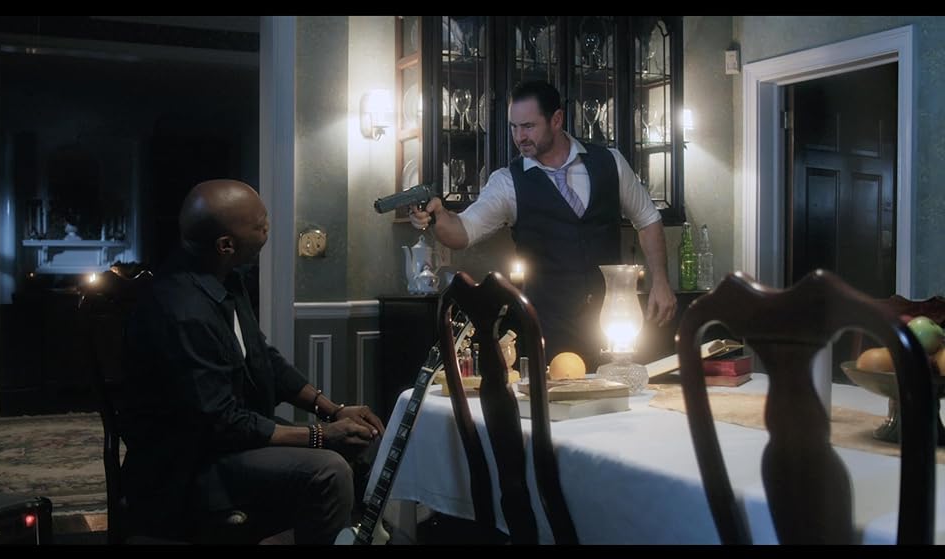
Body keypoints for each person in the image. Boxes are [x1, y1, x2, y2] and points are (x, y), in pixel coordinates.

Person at [119, 179, 385, 544]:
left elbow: (264, 360)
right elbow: (222, 422)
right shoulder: (181, 310)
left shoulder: (226, 279)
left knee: (354, 446)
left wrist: (333, 410)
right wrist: (321, 436)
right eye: (260, 226)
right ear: (225, 245)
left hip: (225, 442)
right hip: (186, 468)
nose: (268, 230)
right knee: (330, 470)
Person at [410, 80, 676, 371]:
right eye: (514, 127)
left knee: (618, 398)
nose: (519, 137)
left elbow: (648, 219)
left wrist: (660, 281)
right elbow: (463, 231)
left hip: (614, 328)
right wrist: (438, 217)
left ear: (557, 120)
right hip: (546, 329)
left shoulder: (610, 162)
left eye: (528, 126)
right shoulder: (507, 182)